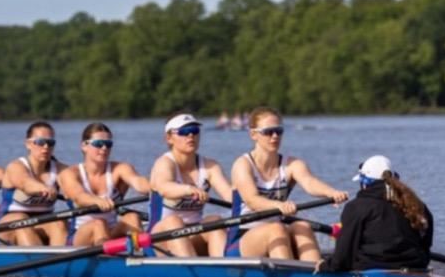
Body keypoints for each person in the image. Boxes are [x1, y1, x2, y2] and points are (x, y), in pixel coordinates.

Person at [227, 106, 348, 260]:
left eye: (279, 130)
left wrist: (331, 192)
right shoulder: (242, 165)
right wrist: (279, 205)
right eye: (268, 131)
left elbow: (309, 182)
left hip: (277, 234)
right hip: (241, 238)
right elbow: (252, 200)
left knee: (302, 225)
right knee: (276, 229)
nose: (275, 136)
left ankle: (318, 276)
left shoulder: (291, 164)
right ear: (253, 134)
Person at [316, 155, 433, 273]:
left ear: (364, 183)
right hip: (416, 268)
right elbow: (426, 247)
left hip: (373, 269)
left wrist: (324, 266)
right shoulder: (416, 205)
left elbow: (341, 261)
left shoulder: (357, 207)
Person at [148, 113, 234, 257]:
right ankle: (191, 271)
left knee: (215, 220)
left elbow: (230, 196)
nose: (190, 136)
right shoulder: (164, 164)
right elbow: (164, 188)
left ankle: (223, 272)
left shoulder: (209, 166)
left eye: (194, 131)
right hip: (159, 238)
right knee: (173, 221)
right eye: (183, 132)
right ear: (168, 138)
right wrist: (189, 189)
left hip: (192, 235)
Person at [58, 122, 150, 246]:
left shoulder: (120, 168)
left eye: (108, 144)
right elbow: (79, 197)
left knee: (132, 217)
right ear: (84, 145)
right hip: (80, 236)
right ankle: (109, 260)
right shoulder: (69, 173)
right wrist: (96, 200)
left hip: (110, 232)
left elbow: (139, 183)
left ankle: (144, 253)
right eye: (98, 144)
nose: (104, 148)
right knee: (98, 223)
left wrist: (158, 186)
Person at [0, 121, 68, 246]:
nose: (45, 147)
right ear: (28, 144)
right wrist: (43, 188)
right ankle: (42, 262)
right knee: (21, 220)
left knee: (59, 222)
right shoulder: (15, 167)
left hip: (41, 223)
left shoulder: (61, 170)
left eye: (50, 143)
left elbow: (75, 186)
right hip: (6, 228)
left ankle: (63, 263)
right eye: (40, 142)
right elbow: (25, 183)